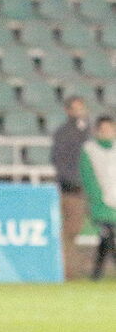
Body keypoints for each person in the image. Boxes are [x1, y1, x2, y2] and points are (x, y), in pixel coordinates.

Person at [51, 96, 91, 280]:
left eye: (80, 108)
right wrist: (73, 182)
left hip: (87, 188)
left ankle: (73, 270)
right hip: (73, 190)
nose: (78, 112)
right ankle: (67, 271)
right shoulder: (65, 133)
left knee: (75, 230)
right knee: (71, 231)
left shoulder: (87, 130)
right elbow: (59, 161)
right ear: (67, 111)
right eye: (75, 108)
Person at [80, 116, 116, 280]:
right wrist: (97, 197)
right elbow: (88, 177)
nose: (107, 132)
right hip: (101, 203)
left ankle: (96, 274)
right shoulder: (90, 150)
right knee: (108, 235)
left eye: (110, 129)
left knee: (106, 238)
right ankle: (97, 274)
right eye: (103, 129)